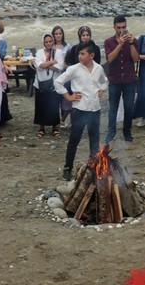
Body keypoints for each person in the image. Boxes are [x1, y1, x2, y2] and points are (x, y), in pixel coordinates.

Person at [54, 42, 108, 181]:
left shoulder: (98, 68)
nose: (80, 56)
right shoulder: (74, 69)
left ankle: (93, 167)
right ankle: (68, 167)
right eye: (79, 54)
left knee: (94, 140)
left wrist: (102, 89)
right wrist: (68, 96)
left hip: (94, 109)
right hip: (79, 109)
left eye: (83, 54)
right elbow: (58, 82)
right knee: (74, 139)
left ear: (91, 55)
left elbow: (104, 81)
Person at [104, 16, 139, 143]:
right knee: (113, 107)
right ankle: (111, 132)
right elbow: (110, 59)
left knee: (129, 107)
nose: (121, 30)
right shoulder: (108, 41)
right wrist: (119, 44)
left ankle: (127, 132)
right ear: (114, 27)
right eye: (119, 28)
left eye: (123, 27)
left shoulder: (133, 41)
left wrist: (131, 44)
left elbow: (136, 59)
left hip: (129, 79)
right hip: (115, 79)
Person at [34, 33, 64, 138]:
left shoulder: (58, 52)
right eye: (46, 42)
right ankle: (41, 127)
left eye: (50, 41)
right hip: (40, 83)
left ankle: (54, 127)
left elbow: (60, 66)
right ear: (43, 43)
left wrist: (46, 64)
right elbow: (39, 65)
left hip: (54, 83)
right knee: (41, 105)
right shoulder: (39, 52)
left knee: (54, 105)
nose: (48, 43)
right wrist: (52, 62)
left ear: (53, 41)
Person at [53, 25, 72, 128]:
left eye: (60, 33)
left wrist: (67, 65)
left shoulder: (68, 47)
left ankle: (63, 119)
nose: (58, 35)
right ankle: (57, 120)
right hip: (54, 74)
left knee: (66, 97)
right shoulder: (51, 47)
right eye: (56, 34)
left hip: (66, 74)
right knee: (56, 98)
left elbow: (72, 61)